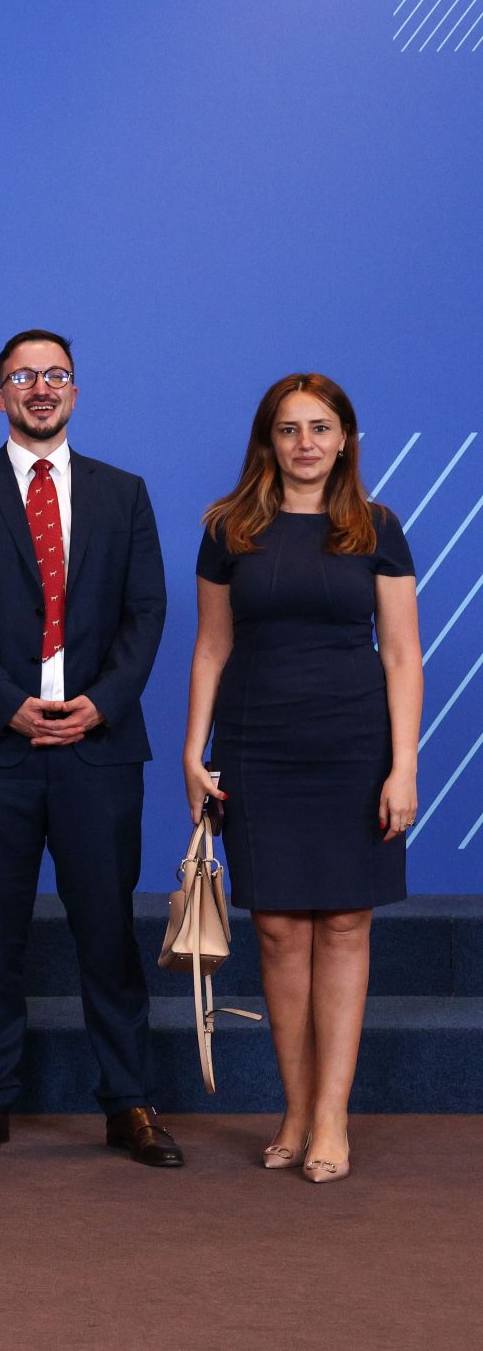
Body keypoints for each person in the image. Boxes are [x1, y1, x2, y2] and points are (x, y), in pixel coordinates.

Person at [0, 329, 180, 1166]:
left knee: (108, 934)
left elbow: (147, 612)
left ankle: (130, 1103)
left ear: (75, 390)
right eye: (23, 376)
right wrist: (9, 705)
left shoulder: (123, 492)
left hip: (98, 749)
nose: (41, 388)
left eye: (55, 375)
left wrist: (102, 705)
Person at [184, 373, 420, 1185]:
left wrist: (404, 766)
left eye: (321, 427)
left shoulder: (377, 527)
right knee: (280, 930)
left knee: (347, 924)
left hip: (355, 747)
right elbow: (211, 646)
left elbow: (402, 655)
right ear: (269, 442)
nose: (306, 443)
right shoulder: (228, 529)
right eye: (289, 429)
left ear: (345, 439)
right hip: (258, 745)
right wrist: (193, 750)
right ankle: (293, 1109)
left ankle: (331, 1116)